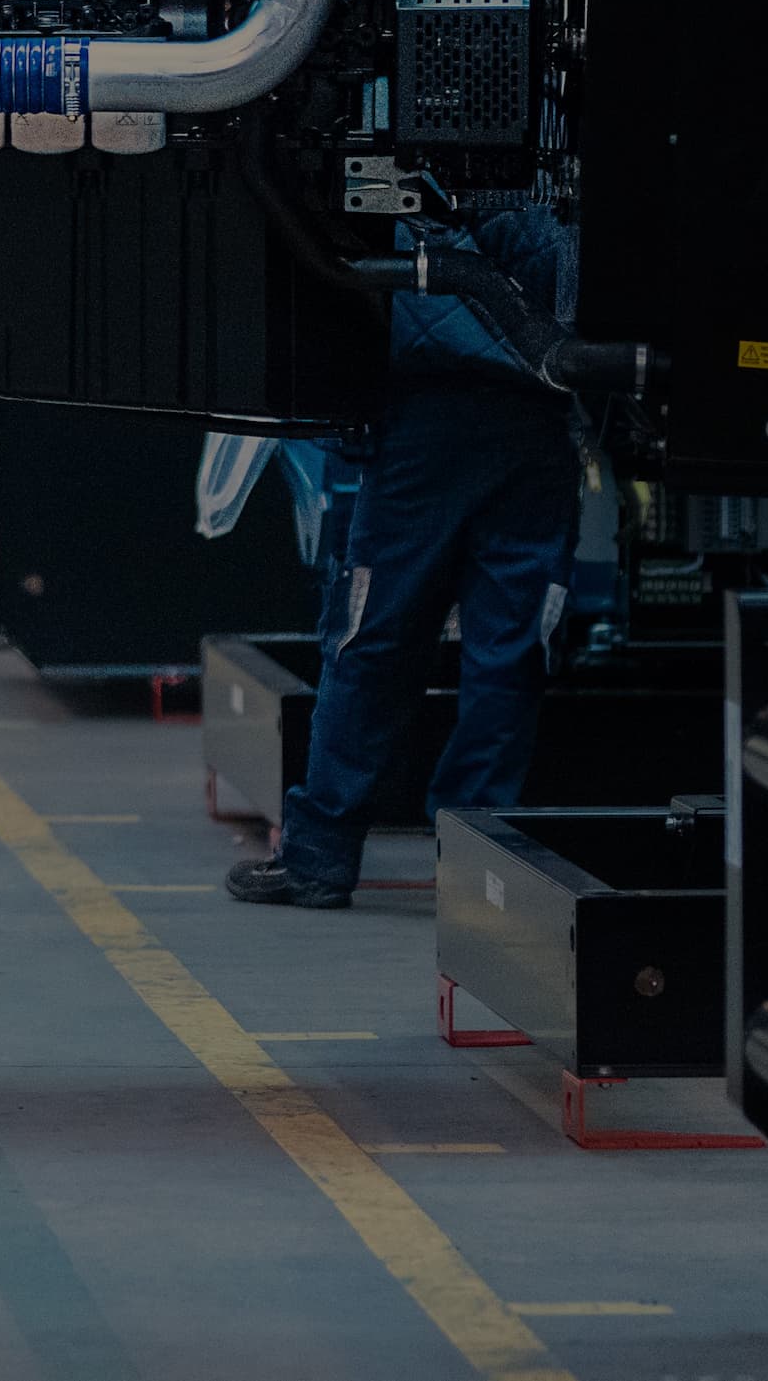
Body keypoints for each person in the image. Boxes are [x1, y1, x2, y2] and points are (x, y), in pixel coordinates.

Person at [227, 208, 584, 911]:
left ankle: (319, 855)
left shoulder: (419, 178)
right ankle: (475, 865)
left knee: (374, 637)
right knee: (510, 651)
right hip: (537, 423)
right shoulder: (556, 183)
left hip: (430, 421)